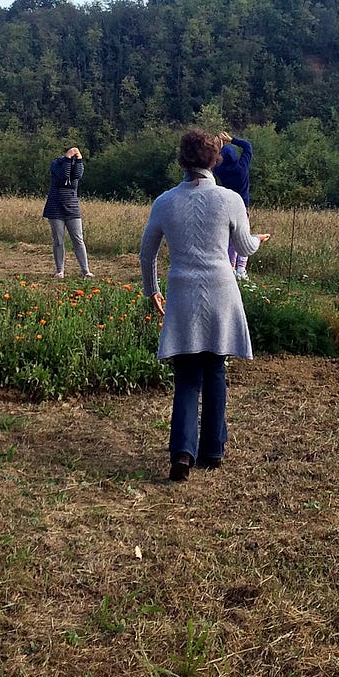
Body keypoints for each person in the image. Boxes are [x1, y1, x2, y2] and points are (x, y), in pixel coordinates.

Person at [140, 130, 270, 482]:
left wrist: (151, 289)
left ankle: (182, 452)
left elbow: (147, 252)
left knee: (187, 376)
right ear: (215, 160)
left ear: (182, 160)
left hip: (182, 291)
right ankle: (213, 450)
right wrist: (257, 240)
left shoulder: (164, 202)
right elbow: (243, 248)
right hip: (220, 290)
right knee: (215, 368)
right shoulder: (229, 200)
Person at [43, 146, 92, 278]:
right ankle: (60, 270)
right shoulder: (56, 164)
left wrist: (79, 159)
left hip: (72, 208)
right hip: (55, 208)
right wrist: (68, 158)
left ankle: (85, 270)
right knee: (58, 240)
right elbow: (64, 175)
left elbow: (78, 175)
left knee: (78, 239)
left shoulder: (76, 165)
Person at [215, 132, 254, 279]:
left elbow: (212, 163)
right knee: (243, 237)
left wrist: (218, 149)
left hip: (226, 207)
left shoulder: (221, 170)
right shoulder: (242, 166)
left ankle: (230, 267)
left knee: (231, 240)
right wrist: (231, 140)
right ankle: (241, 269)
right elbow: (248, 146)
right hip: (242, 207)